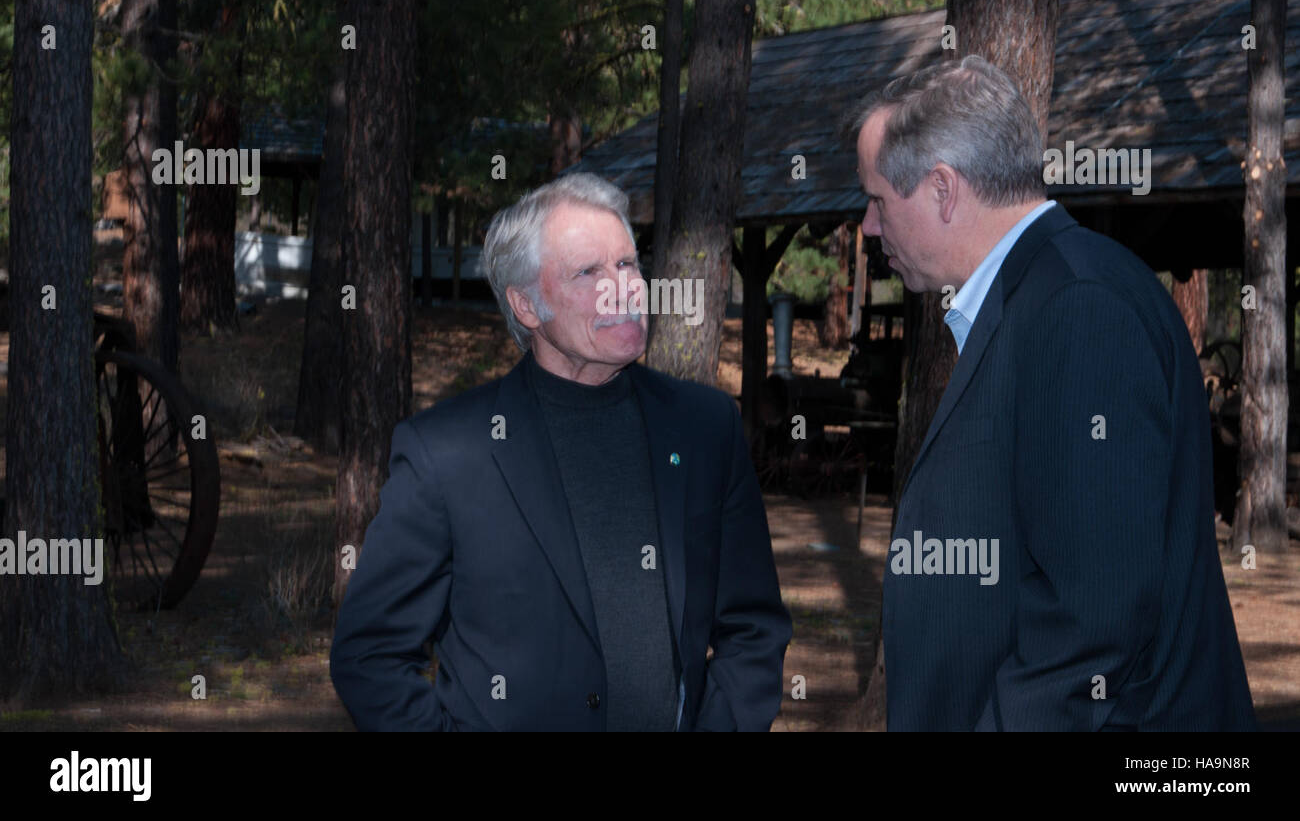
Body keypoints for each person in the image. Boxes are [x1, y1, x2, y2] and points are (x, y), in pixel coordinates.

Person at [851, 54, 1255, 730]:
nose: (867, 226)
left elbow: (1093, 620)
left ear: (943, 190)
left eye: (878, 200)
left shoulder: (1078, 308)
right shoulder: (1044, 295)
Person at [330, 173, 791, 731]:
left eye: (627, 264)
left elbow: (752, 628)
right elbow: (368, 655)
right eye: (588, 272)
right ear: (528, 306)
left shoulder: (704, 427)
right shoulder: (445, 453)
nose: (622, 288)